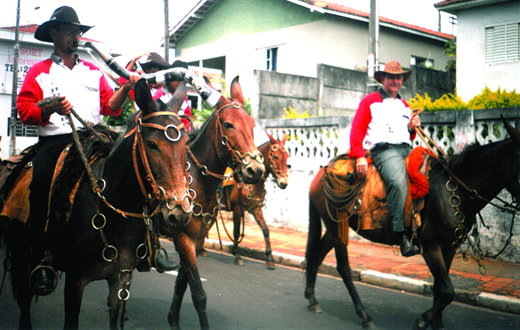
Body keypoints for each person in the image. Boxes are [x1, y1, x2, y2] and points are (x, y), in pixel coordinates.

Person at [16, 6, 141, 295]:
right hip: (57, 141)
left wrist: (126, 85)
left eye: (78, 31)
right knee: (42, 182)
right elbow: (25, 110)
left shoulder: (93, 71)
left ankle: (143, 242)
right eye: (70, 30)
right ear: (54, 34)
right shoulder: (39, 72)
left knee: (131, 168)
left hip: (94, 139)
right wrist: (50, 106)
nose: (76, 36)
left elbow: (110, 105)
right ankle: (43, 255)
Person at [348, 61, 421, 257]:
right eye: (391, 77)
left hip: (406, 149)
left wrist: (412, 127)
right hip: (384, 151)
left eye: (398, 78)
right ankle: (400, 234)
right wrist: (359, 156)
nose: (395, 81)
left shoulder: (404, 105)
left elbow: (407, 135)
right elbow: (356, 131)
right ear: (383, 79)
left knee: (430, 174)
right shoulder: (369, 101)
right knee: (397, 182)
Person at [159, 60, 192, 132]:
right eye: (176, 79)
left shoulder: (184, 99)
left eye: (182, 80)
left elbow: (187, 121)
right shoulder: (159, 95)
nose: (179, 83)